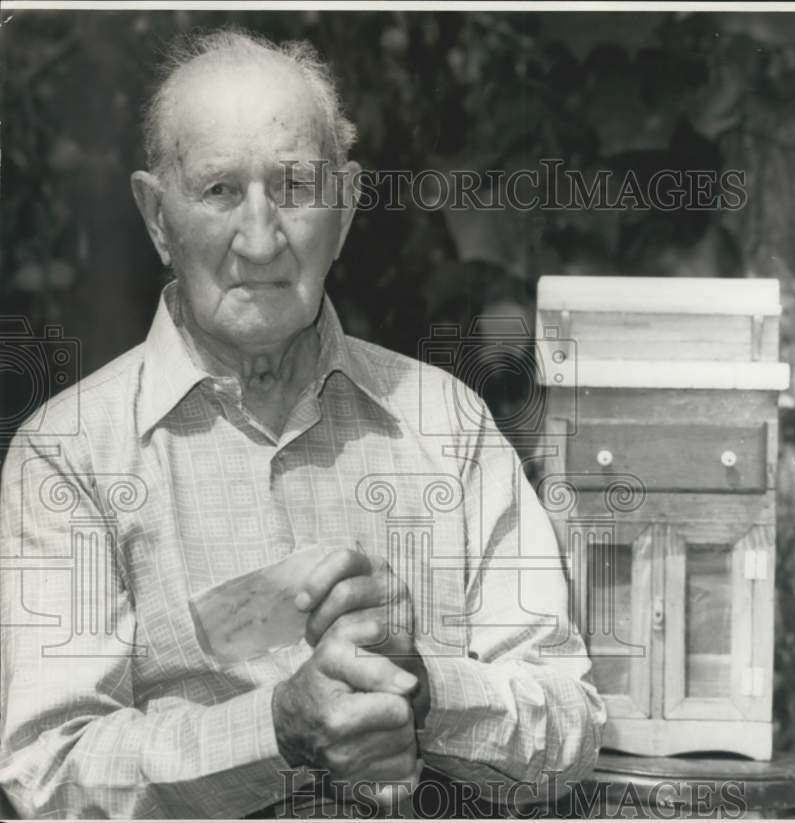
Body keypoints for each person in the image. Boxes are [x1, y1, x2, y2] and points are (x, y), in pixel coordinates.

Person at [0, 28, 604, 819]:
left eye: (294, 186)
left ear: (347, 206)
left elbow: (571, 726)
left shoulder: (446, 423)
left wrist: (424, 686)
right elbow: (50, 772)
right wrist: (277, 727)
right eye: (219, 190)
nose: (260, 238)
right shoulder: (69, 454)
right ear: (156, 216)